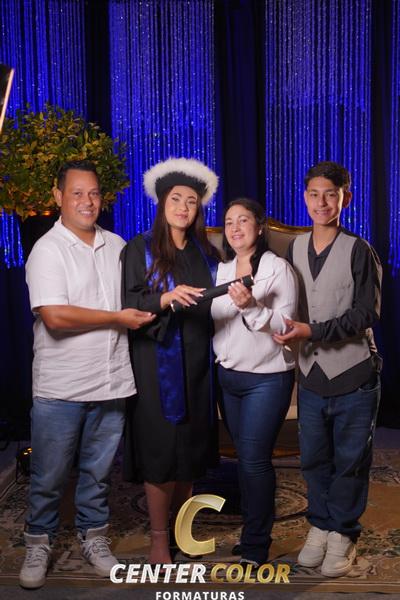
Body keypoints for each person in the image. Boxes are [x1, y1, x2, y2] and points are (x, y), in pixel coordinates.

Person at [20, 160, 155, 589]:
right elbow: (55, 317)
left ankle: (94, 538)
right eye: (77, 193)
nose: (87, 201)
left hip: (112, 380)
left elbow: (142, 295)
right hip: (60, 387)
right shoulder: (48, 250)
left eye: (94, 193)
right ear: (58, 196)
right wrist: (117, 317)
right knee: (49, 477)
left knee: (98, 475)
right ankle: (38, 543)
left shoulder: (117, 245)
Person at [274, 161, 382, 578]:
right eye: (315, 194)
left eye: (331, 195)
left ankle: (343, 533)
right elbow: (285, 303)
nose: (322, 202)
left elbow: (365, 314)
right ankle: (319, 526)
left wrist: (313, 331)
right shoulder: (293, 249)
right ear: (305, 198)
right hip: (311, 375)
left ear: (345, 199)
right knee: (314, 460)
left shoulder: (359, 250)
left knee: (350, 460)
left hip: (354, 374)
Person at [122, 157, 220, 565]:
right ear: (162, 202)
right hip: (155, 362)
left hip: (197, 362)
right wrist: (164, 298)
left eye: (192, 201)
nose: (183, 207)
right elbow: (129, 303)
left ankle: (182, 531)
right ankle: (160, 540)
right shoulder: (139, 248)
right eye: (176, 199)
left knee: (190, 452)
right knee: (161, 451)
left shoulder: (206, 253)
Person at [211, 198, 297, 567]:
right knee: (243, 461)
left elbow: (286, 327)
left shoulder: (278, 269)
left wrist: (251, 307)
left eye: (243, 220)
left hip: (267, 378)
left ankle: (257, 546)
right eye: (229, 221)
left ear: (259, 227)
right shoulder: (220, 269)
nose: (235, 228)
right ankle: (251, 534)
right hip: (228, 378)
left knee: (254, 461)